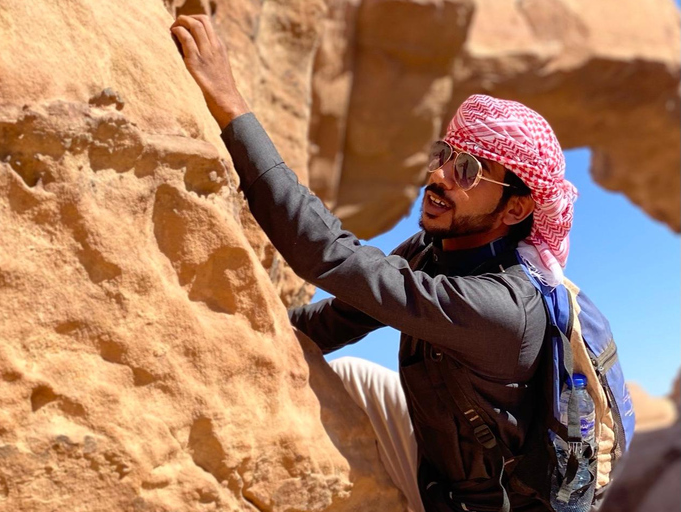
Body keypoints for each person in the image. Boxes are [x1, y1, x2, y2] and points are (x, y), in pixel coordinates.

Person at [171, 14, 577, 512]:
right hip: (440, 470)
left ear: (515, 208)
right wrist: (245, 337)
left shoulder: (503, 310)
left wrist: (231, 107)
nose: (440, 175)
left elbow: (329, 254)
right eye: (445, 154)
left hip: (480, 505)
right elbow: (339, 317)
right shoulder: (433, 252)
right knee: (358, 374)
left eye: (469, 170)